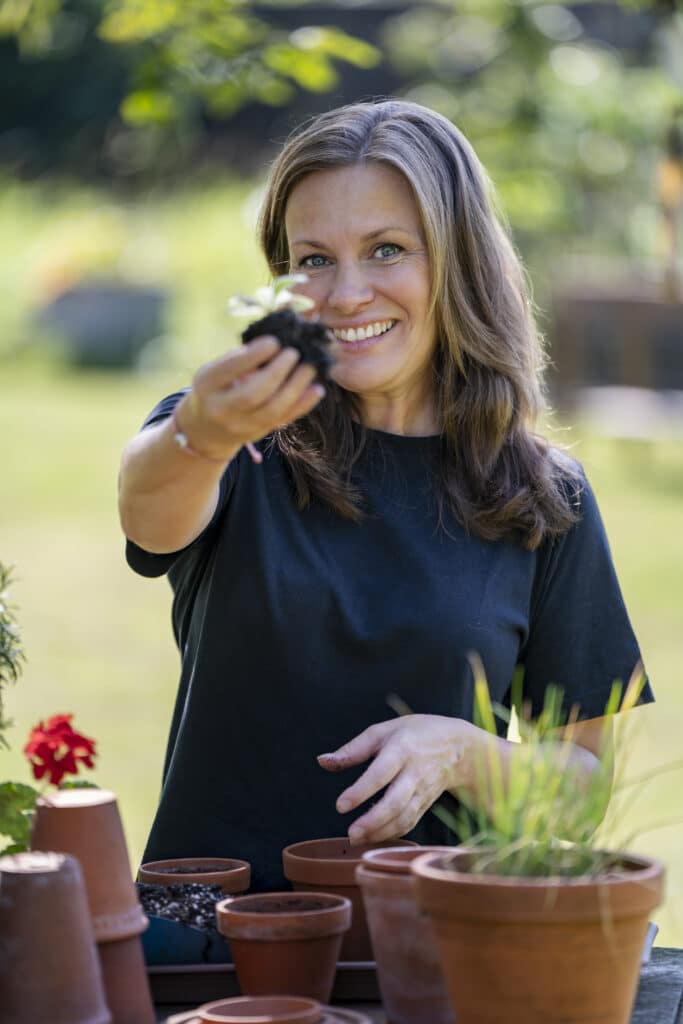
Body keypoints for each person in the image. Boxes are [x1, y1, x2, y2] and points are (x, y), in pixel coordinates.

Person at [118, 99, 652, 891]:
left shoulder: (542, 497)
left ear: (456, 261)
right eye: (313, 259)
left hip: (427, 947)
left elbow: (578, 791)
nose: (346, 293)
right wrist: (203, 429)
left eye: (387, 249)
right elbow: (148, 512)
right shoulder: (231, 442)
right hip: (211, 946)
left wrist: (466, 754)